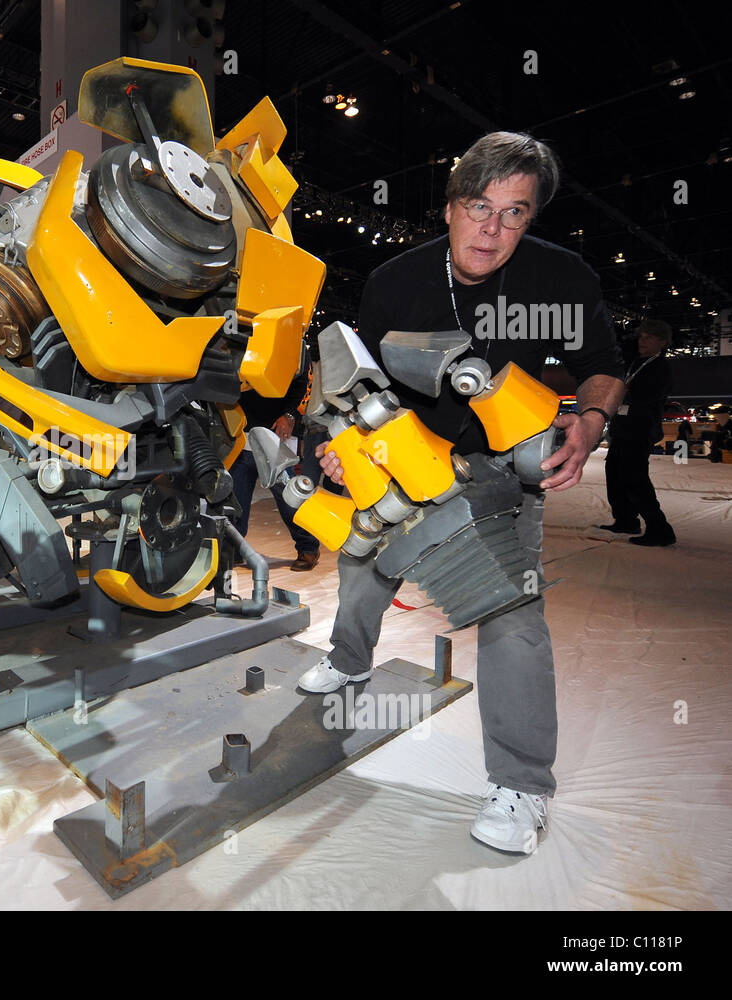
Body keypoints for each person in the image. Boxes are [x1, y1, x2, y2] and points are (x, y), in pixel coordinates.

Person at [302, 132, 626, 855]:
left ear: (529, 219)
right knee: (361, 570)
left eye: (514, 213)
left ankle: (522, 785)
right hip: (403, 453)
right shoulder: (395, 280)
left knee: (511, 615)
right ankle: (351, 659)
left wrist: (593, 420)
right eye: (479, 207)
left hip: (502, 471)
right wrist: (334, 446)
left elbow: (602, 367)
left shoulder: (560, 277)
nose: (492, 228)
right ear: (450, 208)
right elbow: (356, 383)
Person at [231, 373, 323, 571]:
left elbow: (305, 383)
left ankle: (309, 547)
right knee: (235, 500)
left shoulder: (293, 344)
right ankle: (233, 549)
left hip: (276, 434)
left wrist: (291, 415)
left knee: (290, 499)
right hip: (241, 430)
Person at [600, 319, 676, 545]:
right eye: (641, 337)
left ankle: (659, 529)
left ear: (662, 342)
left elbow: (647, 399)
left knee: (636, 479)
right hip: (623, 429)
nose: (642, 341)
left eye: (649, 338)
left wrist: (623, 394)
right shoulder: (635, 363)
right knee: (614, 474)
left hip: (639, 430)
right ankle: (625, 520)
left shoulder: (660, 368)